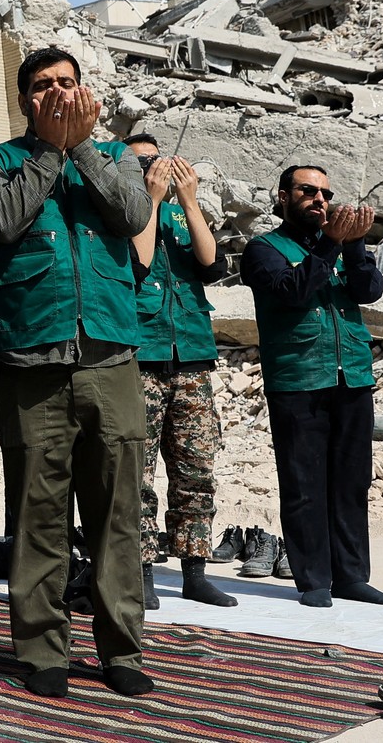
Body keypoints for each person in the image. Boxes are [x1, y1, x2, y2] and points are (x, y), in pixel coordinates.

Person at [0, 48, 153, 699]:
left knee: (117, 518)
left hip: (112, 361)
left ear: (85, 92)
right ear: (24, 101)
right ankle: (43, 649)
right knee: (37, 517)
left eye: (67, 84)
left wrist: (81, 149)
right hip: (31, 365)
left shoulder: (118, 158)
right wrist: (49, 151)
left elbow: (132, 217)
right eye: (42, 86)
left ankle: (121, 650)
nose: (56, 93)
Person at [241, 166, 383, 609]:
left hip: (352, 377)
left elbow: (369, 290)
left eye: (326, 193)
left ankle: (351, 576)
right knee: (304, 483)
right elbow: (294, 290)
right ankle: (314, 580)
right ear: (284, 196)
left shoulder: (341, 248)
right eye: (308, 191)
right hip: (298, 378)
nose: (320, 199)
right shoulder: (263, 248)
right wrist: (332, 243)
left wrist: (357, 242)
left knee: (351, 481)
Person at [123, 134, 237, 611]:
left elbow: (212, 262)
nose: (155, 167)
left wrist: (189, 200)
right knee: (138, 472)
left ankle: (194, 570)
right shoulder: (127, 213)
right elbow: (137, 262)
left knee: (196, 467)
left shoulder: (179, 215)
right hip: (143, 356)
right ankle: (143, 569)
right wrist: (148, 198)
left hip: (191, 354)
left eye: (159, 159)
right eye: (143, 161)